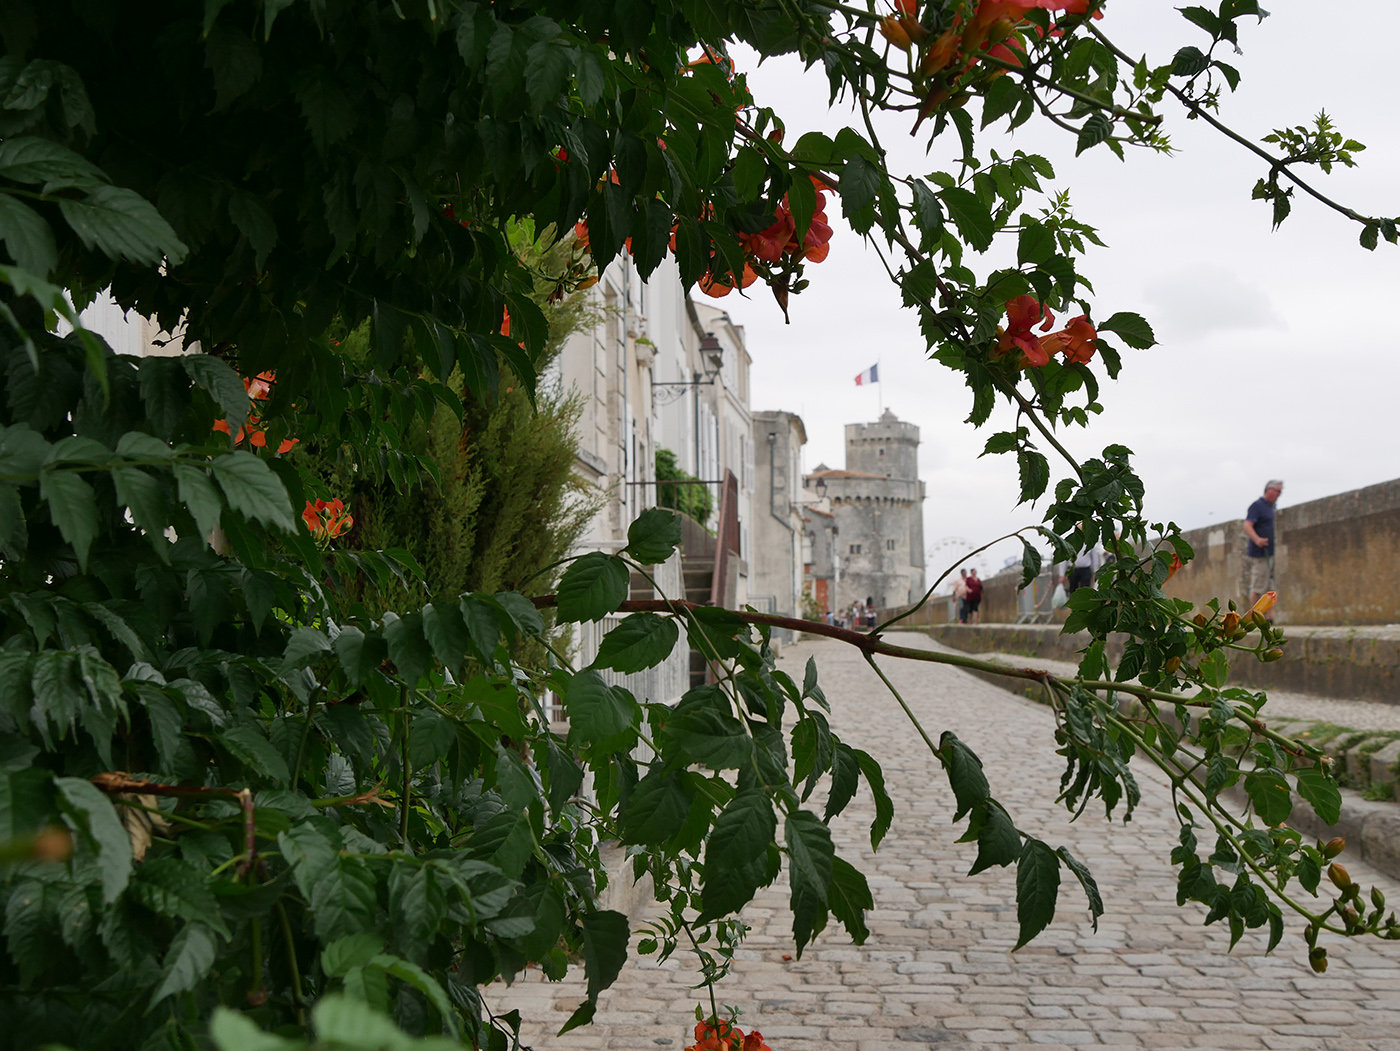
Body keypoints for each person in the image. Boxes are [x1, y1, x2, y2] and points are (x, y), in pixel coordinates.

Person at [1244, 479, 1283, 614]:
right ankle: (1254, 617)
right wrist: (1258, 540)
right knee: (1258, 586)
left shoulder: (1271, 508)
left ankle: (1269, 618)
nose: (1279, 494)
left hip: (1270, 553)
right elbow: (1247, 525)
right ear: (1269, 490)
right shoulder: (1257, 506)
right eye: (1278, 491)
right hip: (1260, 553)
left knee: (1269, 587)